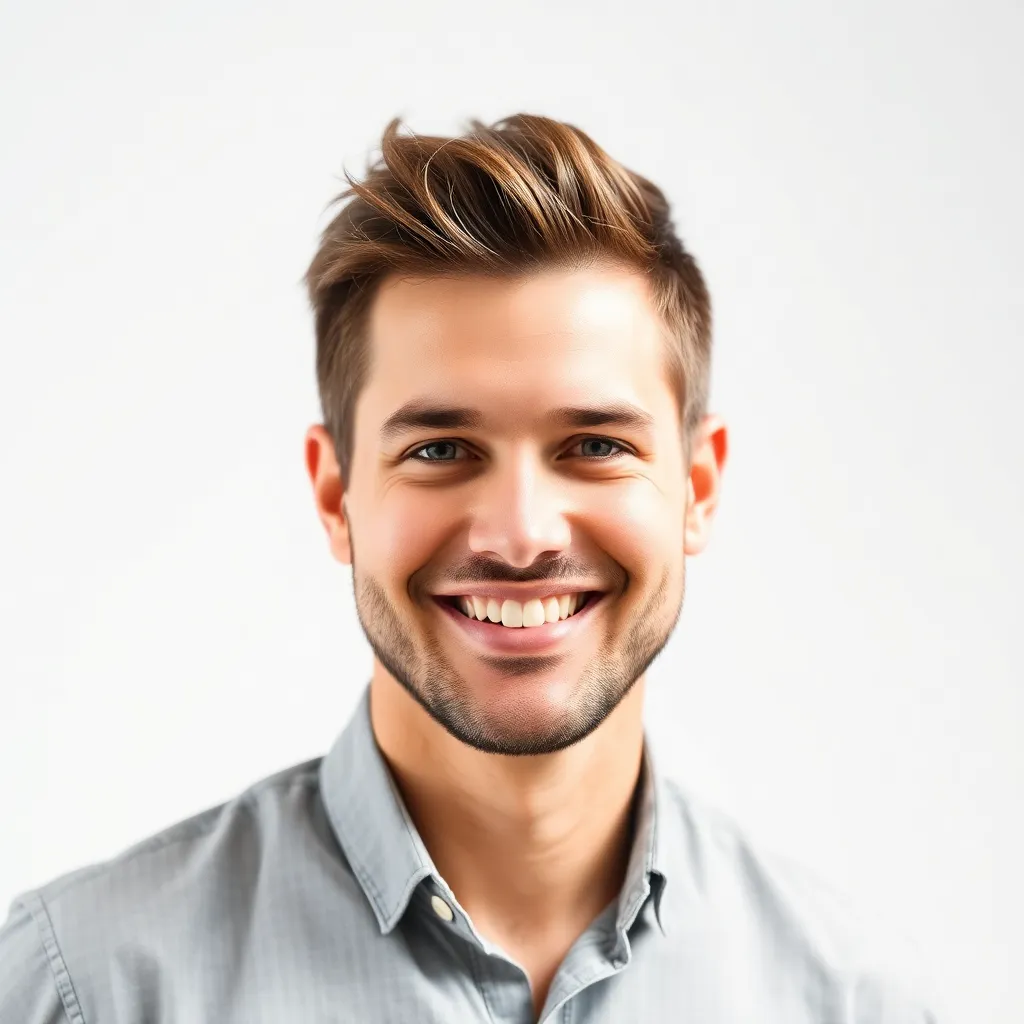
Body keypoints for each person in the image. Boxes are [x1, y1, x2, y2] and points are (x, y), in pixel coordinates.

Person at [0, 113, 938, 1023]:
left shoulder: (853, 1002)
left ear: (696, 487)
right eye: (441, 450)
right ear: (336, 497)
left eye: (596, 444)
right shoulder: (84, 990)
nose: (523, 536)